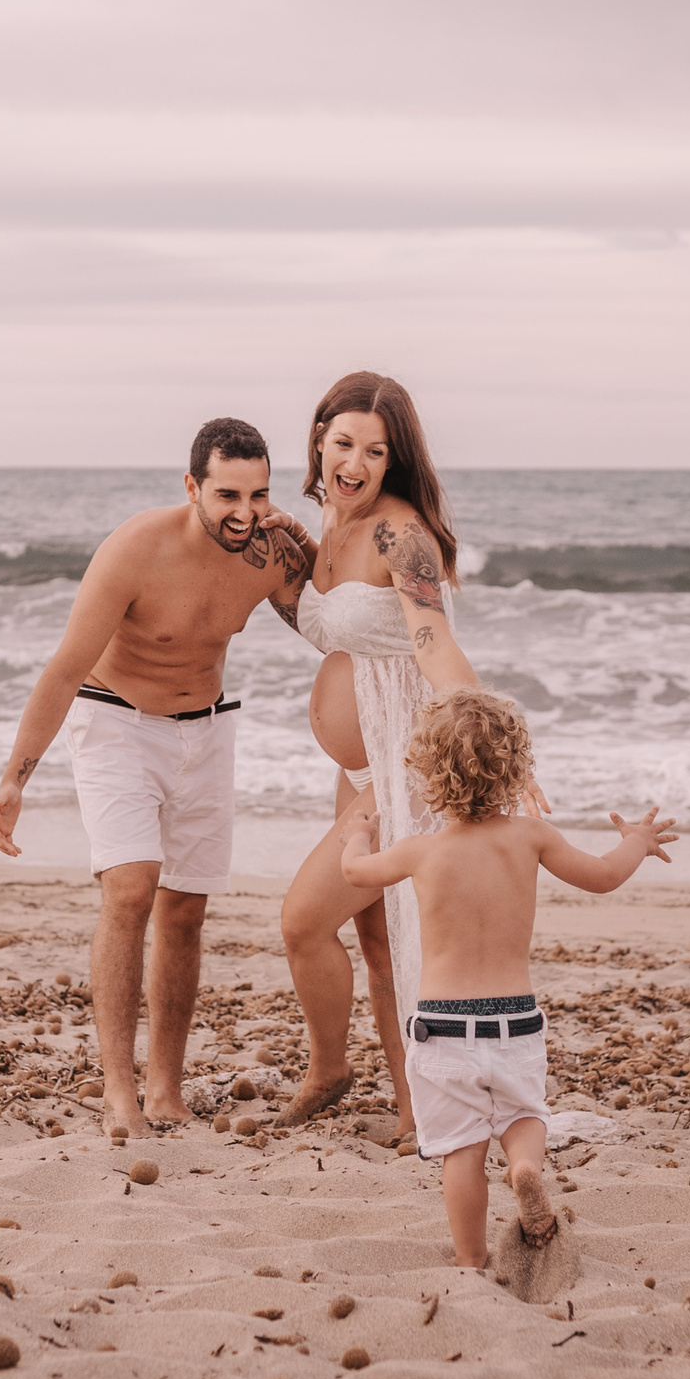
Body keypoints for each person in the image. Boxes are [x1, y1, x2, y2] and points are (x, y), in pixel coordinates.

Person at [0, 417, 311, 1138]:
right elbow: (66, 667)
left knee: (186, 910)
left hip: (209, 728)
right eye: (227, 492)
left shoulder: (268, 553)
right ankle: (118, 1089)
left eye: (258, 495)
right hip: (117, 722)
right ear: (192, 484)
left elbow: (329, 623)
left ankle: (167, 1087)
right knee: (130, 889)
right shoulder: (136, 548)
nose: (243, 512)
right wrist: (15, 779)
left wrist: (313, 546)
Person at [273, 370, 543, 1132]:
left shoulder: (400, 534)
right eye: (344, 442)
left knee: (302, 922)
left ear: (396, 461)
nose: (354, 462)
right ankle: (411, 1104)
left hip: (406, 760)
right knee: (378, 937)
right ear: (320, 439)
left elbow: (433, 644)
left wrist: (496, 739)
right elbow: (342, 629)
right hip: (356, 764)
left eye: (376, 451)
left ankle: (331, 1070)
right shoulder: (330, 528)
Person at [342, 688, 677, 1265]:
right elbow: (601, 877)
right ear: (517, 769)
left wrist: (359, 834)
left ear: (427, 776)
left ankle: (471, 1259)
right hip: (516, 1021)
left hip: (442, 1028)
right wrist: (636, 843)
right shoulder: (532, 837)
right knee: (524, 1115)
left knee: (461, 1148)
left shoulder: (420, 852)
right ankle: (525, 1166)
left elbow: (353, 873)